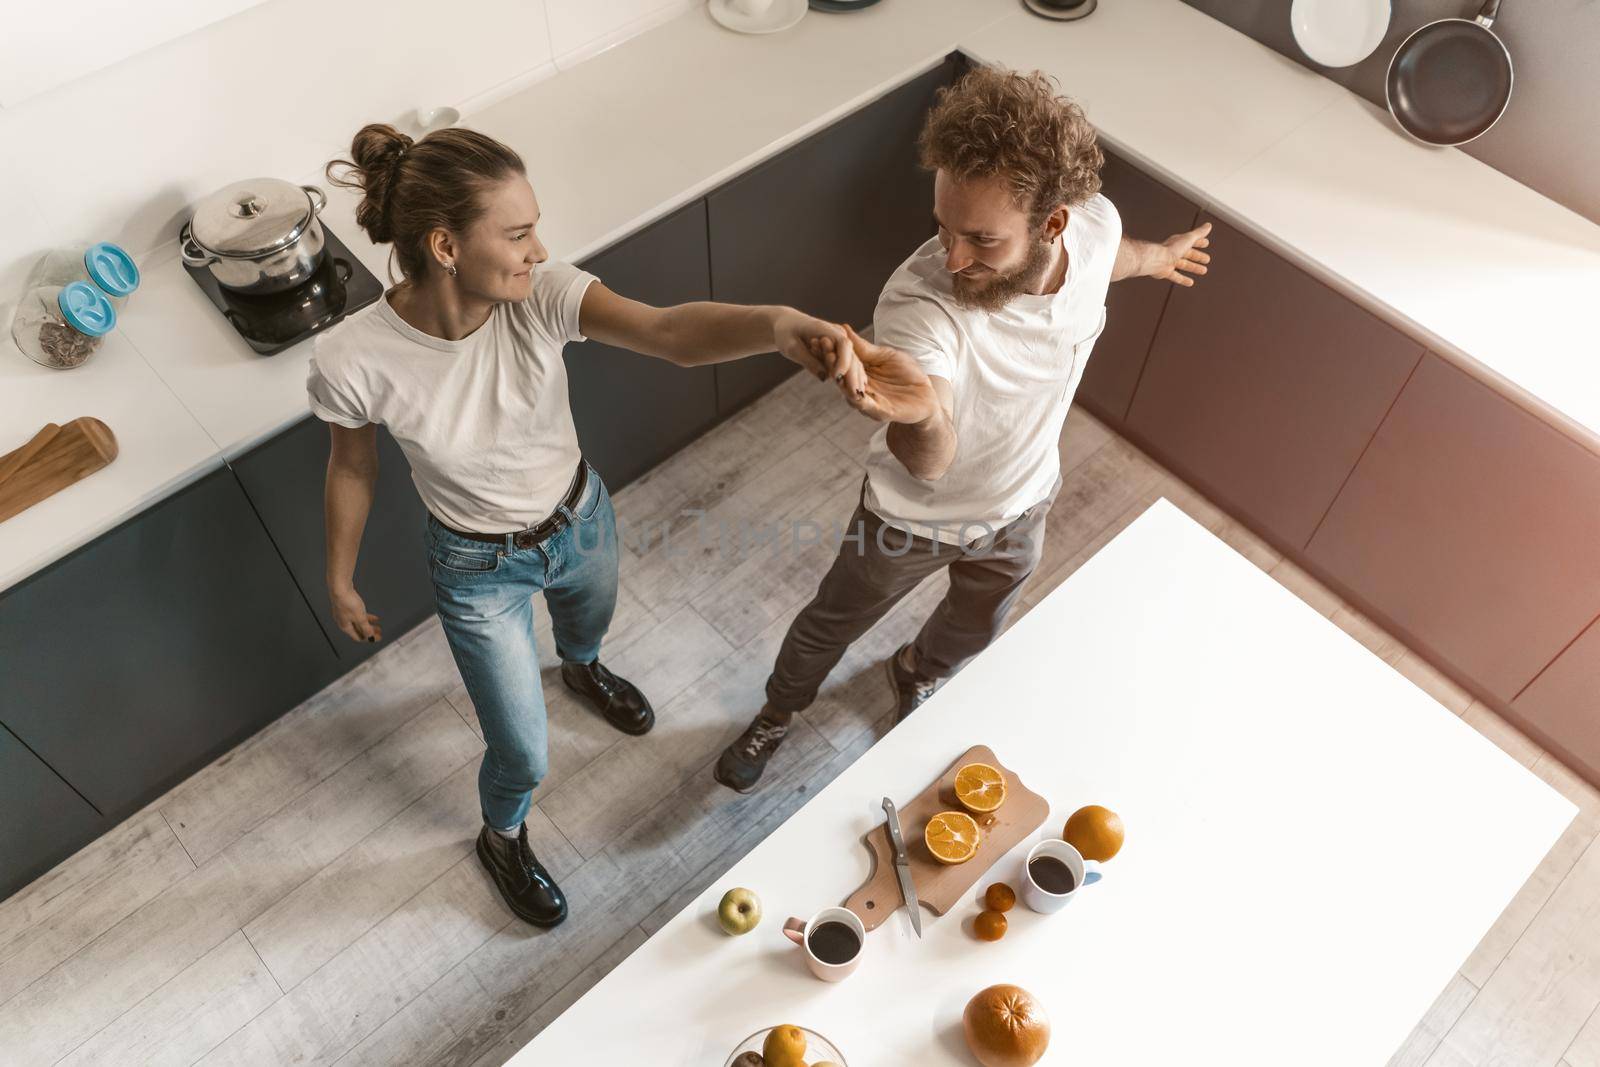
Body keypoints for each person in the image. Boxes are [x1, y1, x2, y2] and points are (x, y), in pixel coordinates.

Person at [307, 124, 863, 926]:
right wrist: (338, 574)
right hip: (476, 570)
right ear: (445, 245)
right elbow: (353, 466)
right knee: (524, 753)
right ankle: (501, 838)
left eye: (536, 228)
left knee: (588, 626)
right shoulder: (353, 358)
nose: (539, 249)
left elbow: (668, 332)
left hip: (581, 520)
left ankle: (580, 667)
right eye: (519, 232)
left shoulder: (541, 295)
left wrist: (776, 324)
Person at [715, 67, 1215, 793]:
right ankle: (778, 712)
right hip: (909, 519)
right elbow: (930, 461)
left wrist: (1161, 257)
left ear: (1054, 224)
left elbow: (1112, 257)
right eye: (942, 228)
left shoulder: (1097, 226)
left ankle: (916, 670)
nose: (953, 258)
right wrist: (918, 413)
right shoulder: (922, 303)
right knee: (829, 623)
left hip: (1022, 506)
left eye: (979, 239)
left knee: (976, 626)